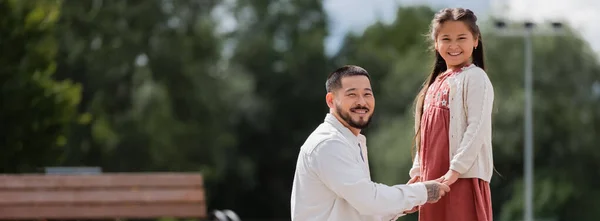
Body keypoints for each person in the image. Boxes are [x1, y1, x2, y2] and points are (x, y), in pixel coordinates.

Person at [290, 65, 451, 221]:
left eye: (367, 94)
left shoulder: (352, 140)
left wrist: (406, 203)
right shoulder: (328, 144)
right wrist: (422, 192)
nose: (361, 102)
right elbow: (369, 201)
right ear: (331, 100)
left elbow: (361, 208)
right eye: (352, 94)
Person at [405, 7, 495, 221]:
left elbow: (477, 128)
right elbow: (425, 137)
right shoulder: (433, 85)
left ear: (475, 40)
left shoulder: (475, 78)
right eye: (446, 39)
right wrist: (418, 172)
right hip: (433, 183)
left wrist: (454, 171)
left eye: (461, 38)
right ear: (436, 43)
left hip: (461, 179)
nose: (453, 46)